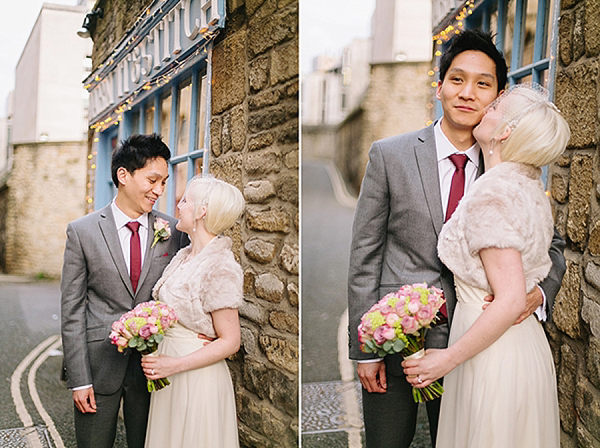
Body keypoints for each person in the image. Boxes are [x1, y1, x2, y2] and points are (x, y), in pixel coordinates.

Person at [347, 29, 567, 448]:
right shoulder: (389, 155)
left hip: (478, 343)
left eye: (483, 84)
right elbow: (364, 255)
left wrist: (535, 295)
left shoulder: (511, 169)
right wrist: (366, 348)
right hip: (397, 337)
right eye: (457, 79)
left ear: (498, 98)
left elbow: (550, 247)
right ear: (440, 85)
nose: (468, 93)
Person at [403, 83, 569, 447]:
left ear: (505, 130)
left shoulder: (493, 193)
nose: (484, 109)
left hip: (493, 354)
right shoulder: (527, 187)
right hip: (520, 347)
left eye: (494, 107)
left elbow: (509, 300)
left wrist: (445, 361)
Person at [61, 134, 188, 448]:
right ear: (123, 175)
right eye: (153, 180)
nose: (159, 190)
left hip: (152, 371)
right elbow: (72, 311)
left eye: (164, 182)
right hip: (98, 366)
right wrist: (80, 379)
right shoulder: (82, 231)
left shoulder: (174, 232)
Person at [141, 176, 244, 448]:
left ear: (201, 211)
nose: (178, 205)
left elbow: (231, 341)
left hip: (195, 378)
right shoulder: (185, 255)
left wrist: (173, 364)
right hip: (170, 372)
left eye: (185, 200)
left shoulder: (220, 266)